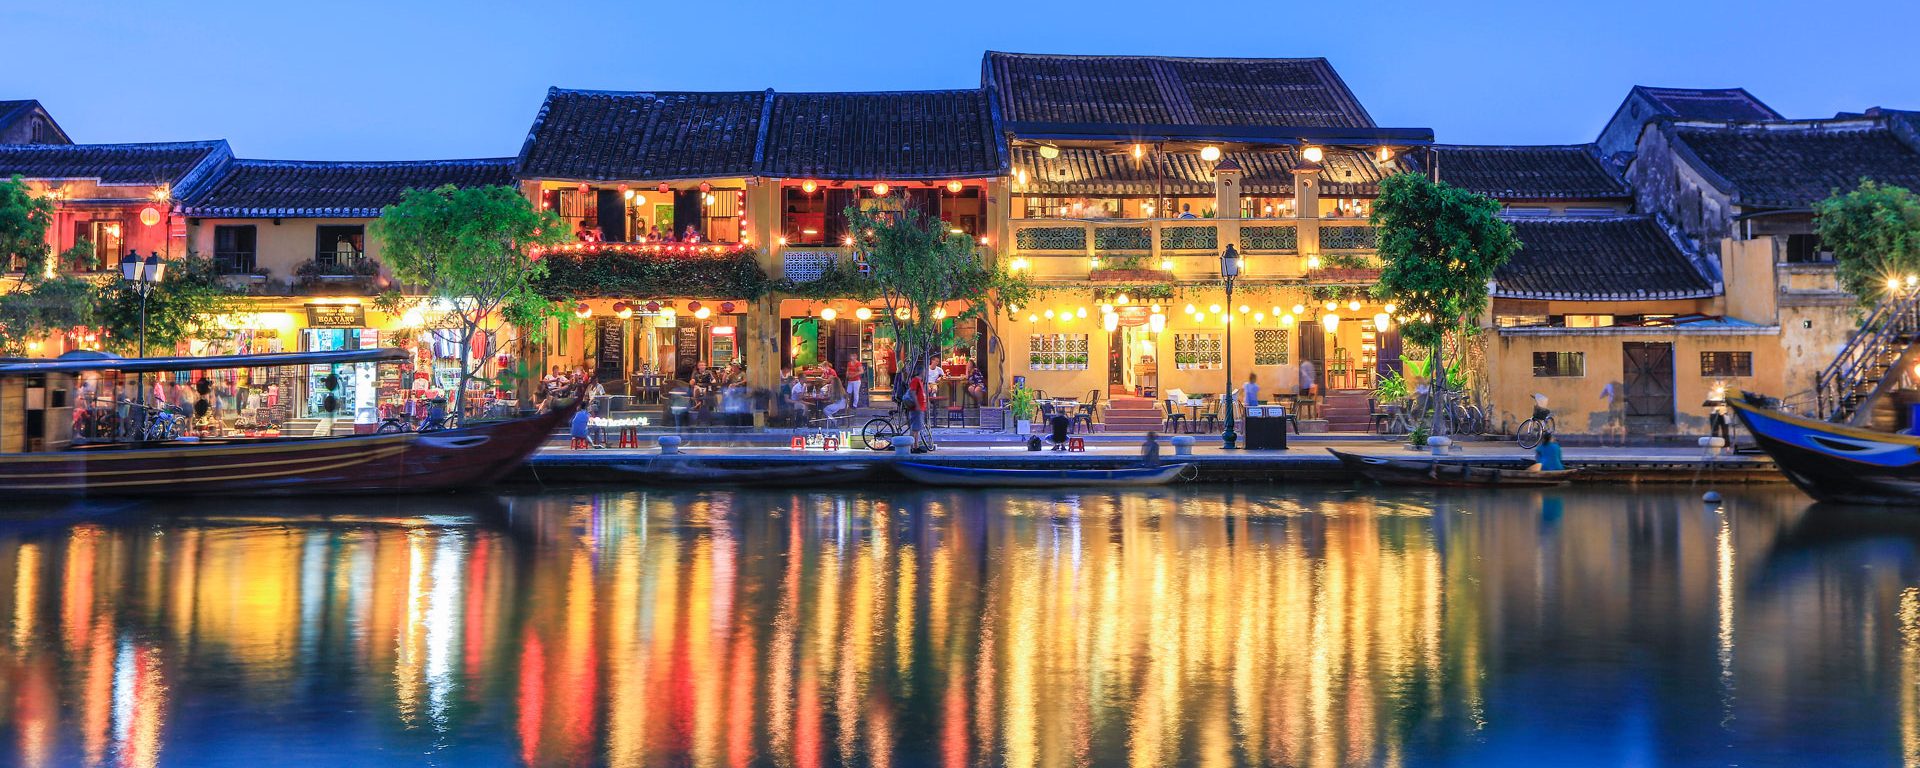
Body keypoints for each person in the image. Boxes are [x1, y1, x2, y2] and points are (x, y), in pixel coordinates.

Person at [907, 369, 932, 452]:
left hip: (920, 408)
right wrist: (917, 404)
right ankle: (911, 447)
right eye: (924, 372)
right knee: (914, 428)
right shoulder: (915, 380)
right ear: (921, 372)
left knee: (917, 428)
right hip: (916, 408)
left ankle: (916, 446)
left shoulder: (920, 381)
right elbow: (913, 393)